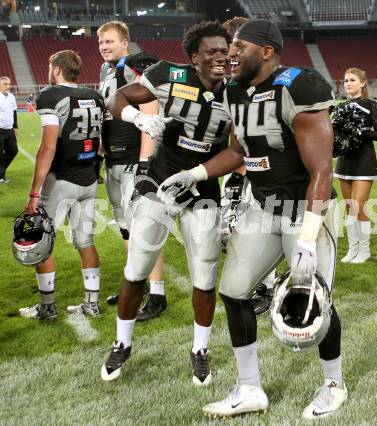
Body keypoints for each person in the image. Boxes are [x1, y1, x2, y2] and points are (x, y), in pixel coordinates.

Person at [158, 20, 347, 419]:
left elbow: (321, 172)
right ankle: (249, 388)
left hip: (306, 210)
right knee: (234, 290)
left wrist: (309, 239)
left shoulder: (299, 85)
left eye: (238, 47)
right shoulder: (234, 90)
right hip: (262, 207)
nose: (229, 55)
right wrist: (196, 174)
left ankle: (334, 384)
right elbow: (239, 151)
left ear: (266, 52)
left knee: (315, 299)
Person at [100, 21, 232, 386]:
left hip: (201, 186)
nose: (221, 56)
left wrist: (200, 174)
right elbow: (116, 99)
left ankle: (200, 349)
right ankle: (122, 342)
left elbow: (237, 152)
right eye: (213, 51)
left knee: (205, 272)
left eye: (225, 50)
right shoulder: (169, 74)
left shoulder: (237, 92)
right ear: (194, 56)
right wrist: (139, 117)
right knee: (138, 264)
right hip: (160, 182)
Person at [18, 50, 105, 320]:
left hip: (61, 181)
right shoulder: (96, 96)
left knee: (42, 241)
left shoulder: (50, 95)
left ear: (57, 69)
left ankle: (47, 307)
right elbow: (100, 144)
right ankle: (91, 303)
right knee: (86, 241)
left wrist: (34, 193)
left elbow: (47, 148)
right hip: (89, 180)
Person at [97, 21, 166, 317]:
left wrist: (144, 163)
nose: (104, 47)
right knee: (127, 229)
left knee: (145, 229)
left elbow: (150, 115)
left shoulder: (136, 67)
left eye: (110, 41)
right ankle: (134, 285)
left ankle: (158, 295)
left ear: (125, 42)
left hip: (133, 161)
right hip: (114, 160)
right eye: (101, 43)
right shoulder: (106, 70)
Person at [222, 16, 276, 316]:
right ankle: (259, 282)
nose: (229, 54)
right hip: (238, 169)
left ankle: (266, 286)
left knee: (253, 229)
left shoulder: (264, 84)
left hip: (259, 173)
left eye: (234, 46)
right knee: (228, 231)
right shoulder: (235, 84)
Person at [333, 68, 377, 264]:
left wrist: (357, 132)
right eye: (346, 80)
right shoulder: (342, 106)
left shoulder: (371, 105)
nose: (348, 83)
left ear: (363, 83)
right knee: (348, 207)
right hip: (345, 161)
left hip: (364, 160)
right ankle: (353, 249)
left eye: (352, 80)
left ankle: (365, 250)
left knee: (359, 207)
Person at [0, 76, 18, 183]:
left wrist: (16, 127)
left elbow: (14, 112)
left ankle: (1, 171)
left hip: (9, 129)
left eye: (9, 84)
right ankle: (1, 176)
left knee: (13, 150)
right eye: (5, 84)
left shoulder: (12, 97)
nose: (8, 86)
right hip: (0, 130)